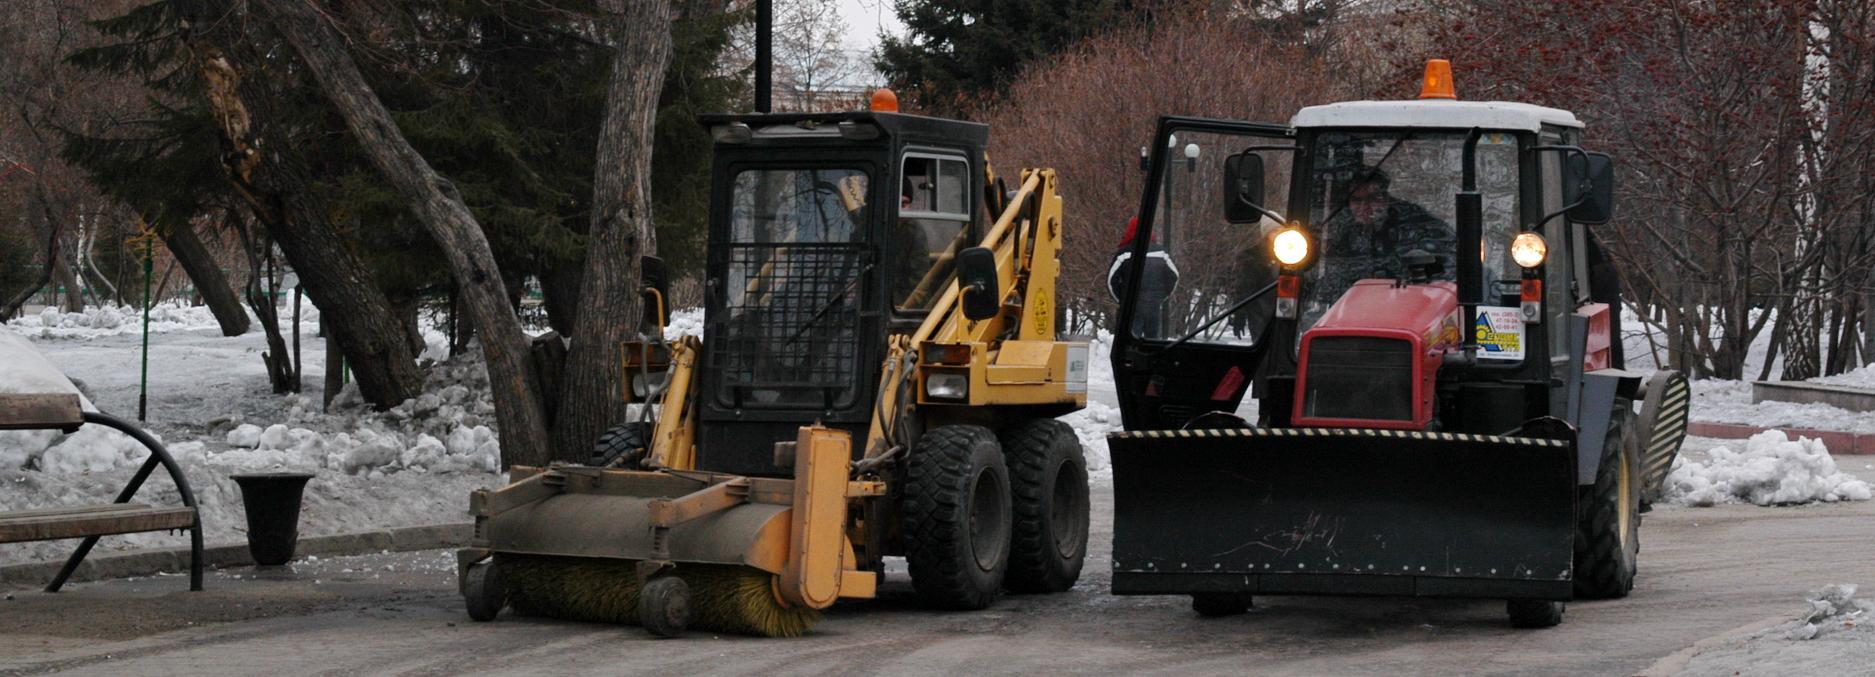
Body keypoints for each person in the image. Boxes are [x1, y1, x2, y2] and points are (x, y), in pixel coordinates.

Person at [1317, 168, 1457, 299]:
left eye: (1372, 199)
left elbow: (1444, 281)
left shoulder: (1416, 226)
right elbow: (1335, 276)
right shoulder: (1345, 231)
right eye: (1356, 200)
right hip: (1357, 307)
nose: (1364, 207)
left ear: (1385, 198)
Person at [1108, 216, 1180, 337]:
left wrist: (1123, 299)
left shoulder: (1124, 253)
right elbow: (1174, 276)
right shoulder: (1161, 253)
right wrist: (1162, 296)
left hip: (1131, 309)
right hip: (1153, 307)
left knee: (1130, 343)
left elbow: (1111, 281)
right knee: (1152, 344)